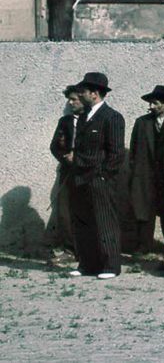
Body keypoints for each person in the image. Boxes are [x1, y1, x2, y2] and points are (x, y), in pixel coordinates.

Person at [68, 72, 125, 280]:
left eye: (84, 91)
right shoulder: (84, 116)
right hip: (80, 179)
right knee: (83, 222)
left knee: (105, 223)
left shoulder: (112, 117)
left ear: (95, 93)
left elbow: (117, 153)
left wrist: (102, 176)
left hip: (99, 179)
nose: (81, 94)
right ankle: (87, 264)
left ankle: (111, 266)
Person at [129, 85, 164, 258]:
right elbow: (134, 150)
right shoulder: (141, 123)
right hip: (146, 177)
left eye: (155, 103)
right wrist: (136, 172)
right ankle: (143, 246)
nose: (151, 106)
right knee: (144, 212)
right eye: (150, 103)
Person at [47, 85, 84, 258]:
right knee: (64, 210)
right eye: (68, 99)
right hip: (67, 173)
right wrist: (65, 158)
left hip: (87, 173)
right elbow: (54, 146)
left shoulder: (93, 119)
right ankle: (70, 249)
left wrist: (80, 157)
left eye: (73, 99)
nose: (70, 103)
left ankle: (87, 250)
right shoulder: (65, 121)